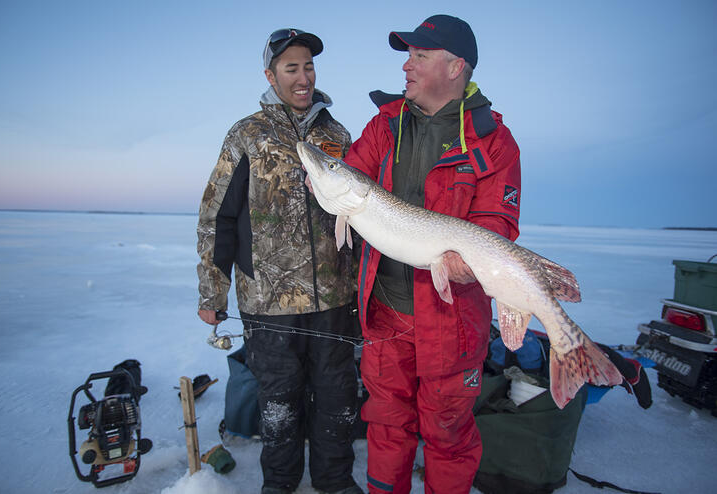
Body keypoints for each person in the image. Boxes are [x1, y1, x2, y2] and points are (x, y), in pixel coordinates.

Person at [343, 15, 522, 494]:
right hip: (385, 316)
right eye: (408, 55)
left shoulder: (493, 141)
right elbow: (349, 177)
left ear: (455, 66)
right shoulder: (385, 125)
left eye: (420, 56)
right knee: (386, 429)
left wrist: (469, 260)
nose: (407, 66)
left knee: (447, 436)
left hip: (452, 322)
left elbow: (496, 225)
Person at [196, 28, 362, 494]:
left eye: (308, 66)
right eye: (292, 67)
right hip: (267, 300)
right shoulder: (247, 133)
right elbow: (216, 216)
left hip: (333, 294)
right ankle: (281, 484)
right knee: (280, 402)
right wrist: (213, 291)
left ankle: (335, 482)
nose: (303, 76)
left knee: (338, 397)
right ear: (271, 75)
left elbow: (361, 213)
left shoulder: (337, 134)